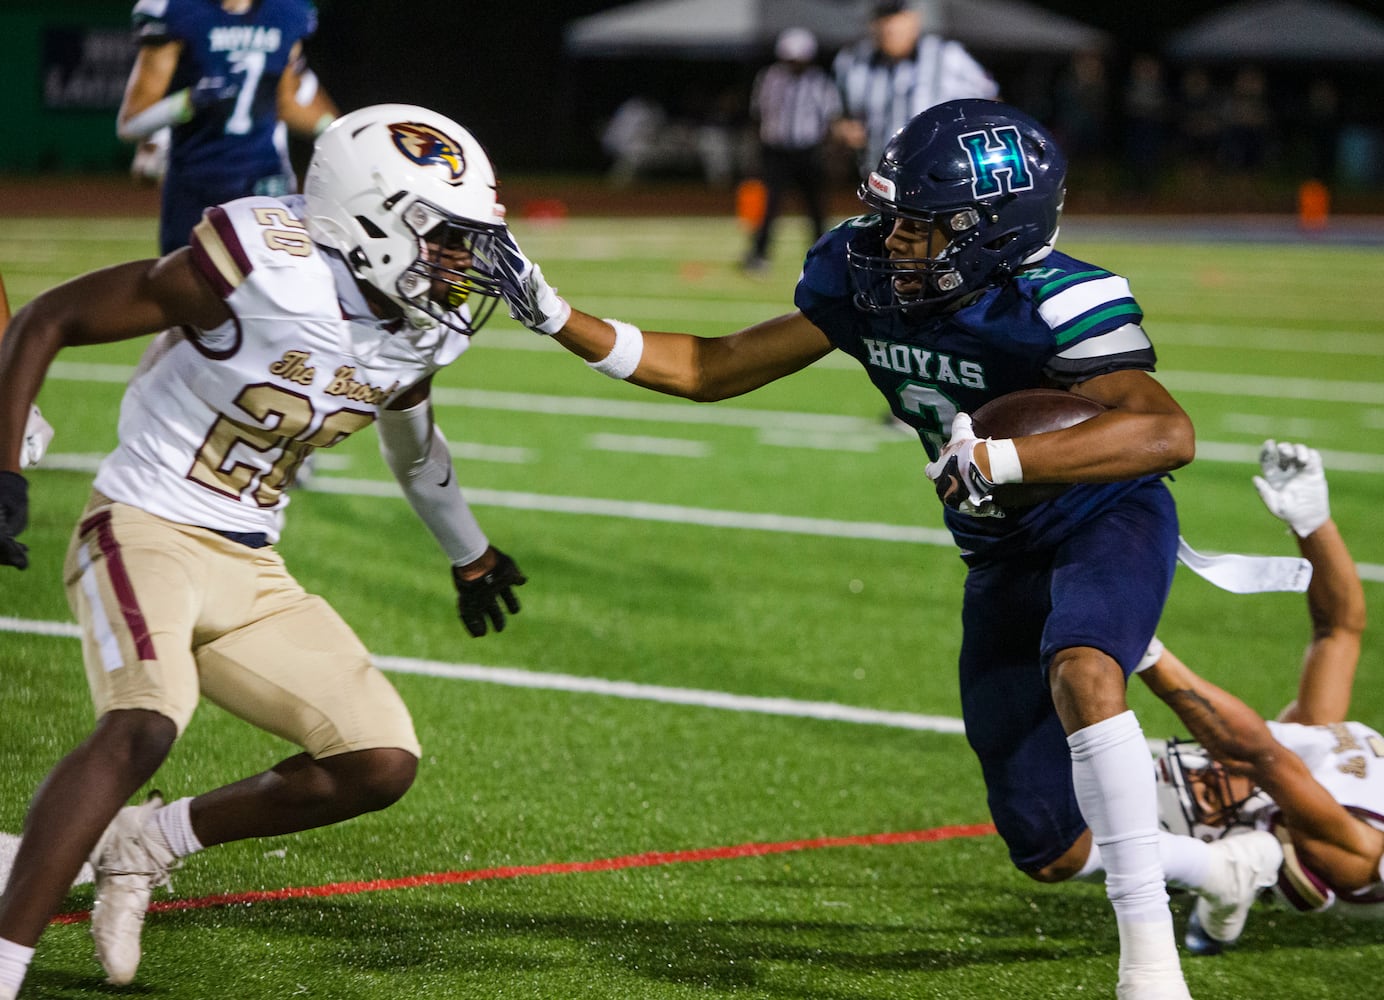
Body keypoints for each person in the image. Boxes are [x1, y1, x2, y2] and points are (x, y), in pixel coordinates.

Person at [493, 98, 1200, 999]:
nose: (894, 241)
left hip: (1104, 515)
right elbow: (711, 369)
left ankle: (1151, 970)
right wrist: (556, 315)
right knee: (1049, 849)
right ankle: (1226, 866)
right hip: (998, 549)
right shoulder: (862, 283)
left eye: (922, 226)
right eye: (891, 217)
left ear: (997, 231)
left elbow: (1167, 434)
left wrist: (1009, 455)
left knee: (1084, 669)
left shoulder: (1059, 300)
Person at [0, 103, 530, 998]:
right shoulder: (254, 268)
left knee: (378, 759)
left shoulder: (416, 329)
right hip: (142, 526)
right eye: (443, 238)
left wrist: (470, 553)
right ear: (371, 221)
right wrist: (3, 470)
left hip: (251, 563)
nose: (461, 263)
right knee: (142, 725)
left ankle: (147, 844)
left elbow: (414, 447)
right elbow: (48, 318)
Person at [1134, 441, 1384, 947]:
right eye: (1203, 791)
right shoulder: (1348, 852)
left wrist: (1314, 524)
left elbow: (1338, 629)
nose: (1207, 765)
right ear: (1224, 832)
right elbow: (1260, 755)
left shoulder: (1310, 746)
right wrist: (1146, 654)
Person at [116, 0, 339, 255]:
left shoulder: (286, 11)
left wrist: (339, 132)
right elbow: (130, 122)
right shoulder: (176, 11)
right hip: (196, 180)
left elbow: (287, 102)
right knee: (189, 288)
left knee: (278, 282)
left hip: (264, 179)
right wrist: (187, 102)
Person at [832, 1, 998, 178]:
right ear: (872, 24)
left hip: (940, 178)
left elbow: (991, 105)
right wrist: (842, 130)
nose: (890, 28)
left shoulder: (947, 56)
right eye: (883, 20)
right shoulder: (853, 61)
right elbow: (839, 117)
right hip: (878, 179)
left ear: (914, 20)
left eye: (896, 20)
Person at [742, 27, 842, 274]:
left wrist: (830, 153)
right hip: (776, 151)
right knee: (770, 206)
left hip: (807, 151)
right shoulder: (770, 78)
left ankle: (823, 257)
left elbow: (831, 118)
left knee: (815, 208)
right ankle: (759, 255)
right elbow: (758, 114)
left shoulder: (819, 82)